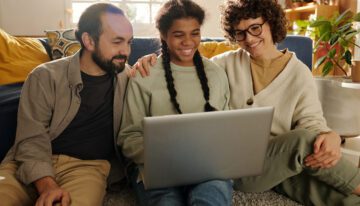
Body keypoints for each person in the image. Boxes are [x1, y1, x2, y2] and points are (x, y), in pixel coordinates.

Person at [133, 0, 360, 205]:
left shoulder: (299, 72)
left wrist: (329, 135)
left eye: (255, 28)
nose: (249, 39)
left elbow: (312, 122)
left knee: (346, 200)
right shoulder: (223, 64)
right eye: (240, 33)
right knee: (302, 141)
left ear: (270, 23)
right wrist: (151, 59)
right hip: (235, 167)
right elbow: (185, 60)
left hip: (277, 165)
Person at [0, 3, 133, 206]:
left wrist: (151, 61)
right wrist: (47, 185)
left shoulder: (128, 76)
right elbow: (31, 139)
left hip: (87, 168)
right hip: (27, 162)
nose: (126, 51)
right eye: (117, 42)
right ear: (89, 40)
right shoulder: (44, 76)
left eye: (129, 42)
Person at [118, 0, 233, 205]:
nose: (188, 42)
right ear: (164, 35)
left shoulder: (216, 74)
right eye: (179, 34)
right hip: (156, 168)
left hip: (206, 169)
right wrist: (167, 158)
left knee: (211, 199)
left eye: (195, 33)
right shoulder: (144, 74)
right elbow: (129, 136)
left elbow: (225, 131)